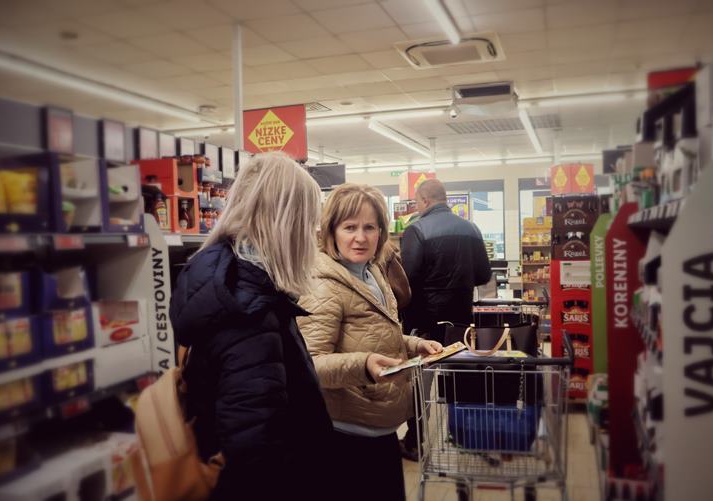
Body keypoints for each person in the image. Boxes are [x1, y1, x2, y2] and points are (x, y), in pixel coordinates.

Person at [169, 152, 336, 501]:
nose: (313, 234)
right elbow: (254, 451)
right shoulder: (249, 313)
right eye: (309, 223)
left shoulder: (230, 285)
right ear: (287, 225)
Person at [297, 183, 442, 501]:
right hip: (346, 437)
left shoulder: (371, 273)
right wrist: (364, 366)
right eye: (349, 227)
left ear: (381, 232)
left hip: (380, 428)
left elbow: (371, 333)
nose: (360, 238)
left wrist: (413, 345)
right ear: (331, 231)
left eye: (369, 227)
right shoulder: (323, 285)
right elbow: (310, 364)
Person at [399, 178, 492, 460]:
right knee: (461, 380)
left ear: (425, 201)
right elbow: (483, 275)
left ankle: (414, 442)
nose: (417, 207)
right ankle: (464, 435)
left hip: (425, 324)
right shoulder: (471, 229)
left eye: (417, 202)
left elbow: (407, 281)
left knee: (421, 384)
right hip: (461, 323)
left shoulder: (416, 230)